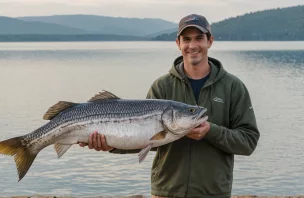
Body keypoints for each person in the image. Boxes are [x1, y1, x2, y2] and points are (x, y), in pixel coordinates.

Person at [79, 14, 260, 198]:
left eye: (199, 38)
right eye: (186, 39)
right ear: (178, 43)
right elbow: (149, 139)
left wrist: (210, 131)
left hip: (213, 193)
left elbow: (248, 142)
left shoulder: (232, 87)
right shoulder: (162, 86)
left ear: (210, 41)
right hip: (166, 191)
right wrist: (112, 145)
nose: (192, 45)